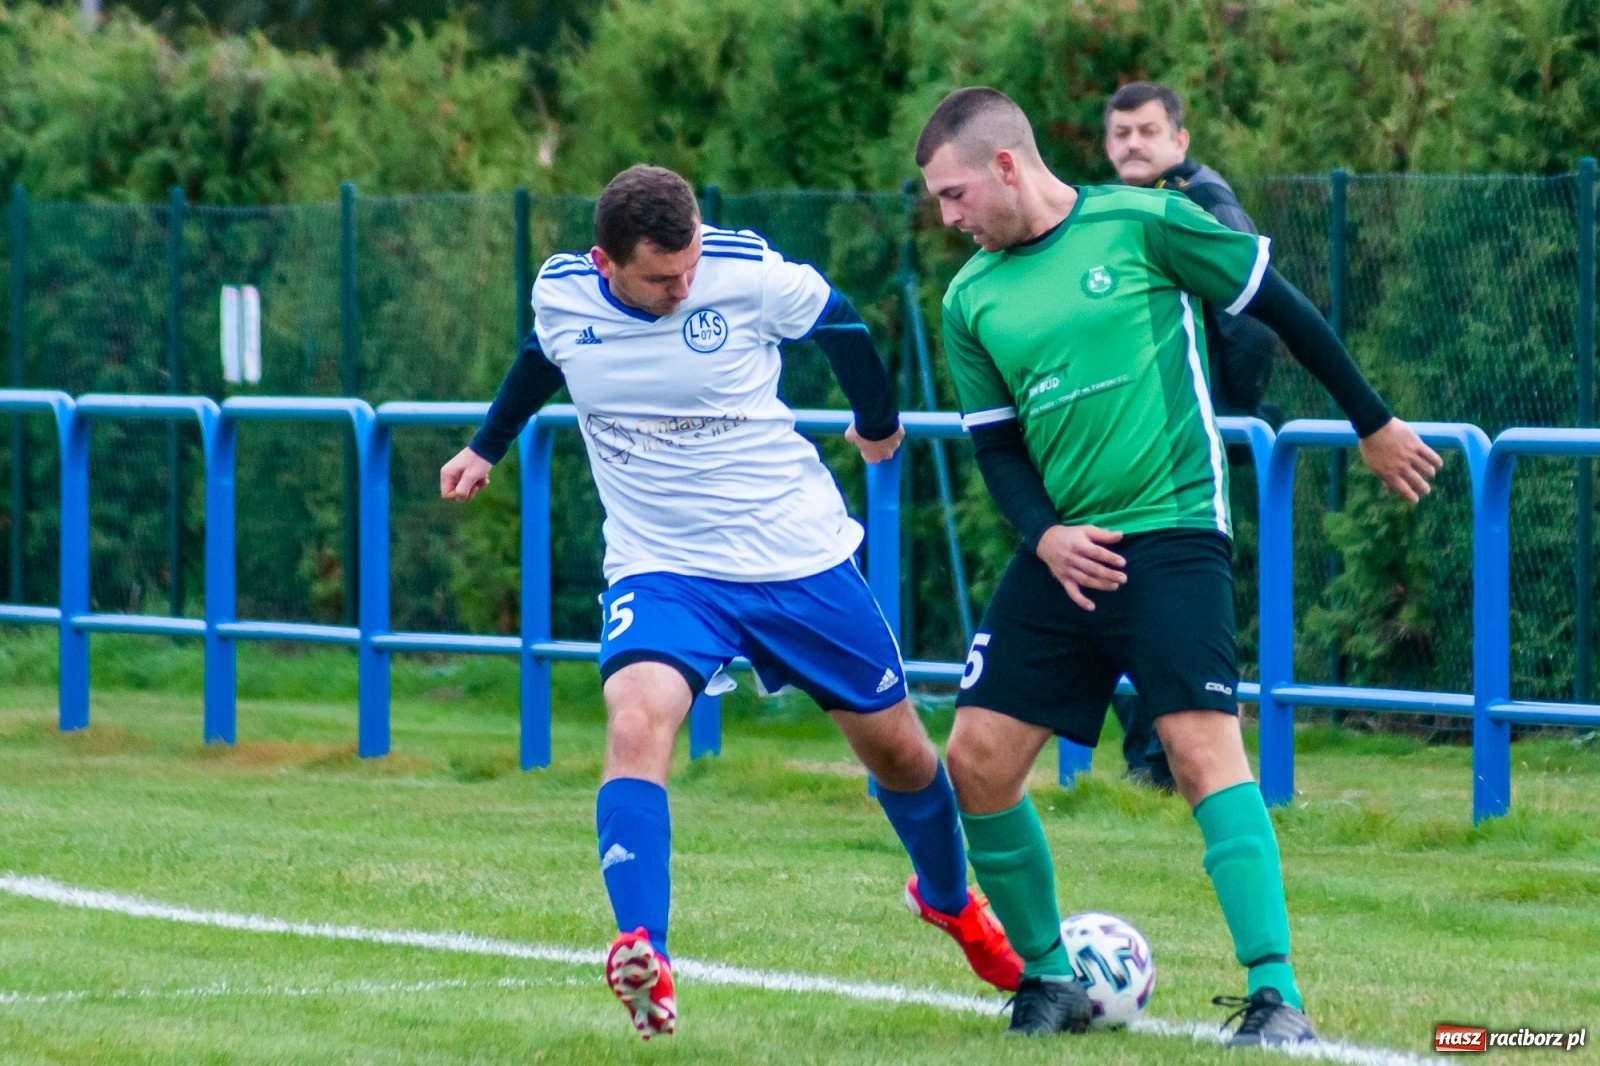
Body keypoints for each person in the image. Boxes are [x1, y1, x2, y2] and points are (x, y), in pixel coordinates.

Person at [439, 164, 1021, 1041]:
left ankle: (949, 901)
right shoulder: (563, 293)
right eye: (660, 278)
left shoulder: (743, 272)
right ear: (606, 265)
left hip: (793, 552)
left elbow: (842, 322)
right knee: (635, 723)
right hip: (662, 565)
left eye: (690, 266)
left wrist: (875, 421)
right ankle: (645, 950)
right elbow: (540, 358)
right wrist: (487, 446)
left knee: (901, 754)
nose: (683, 286)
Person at [915, 89, 1443, 1042]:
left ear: (1005, 166)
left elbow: (1282, 309)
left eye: (953, 195)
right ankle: (1048, 980)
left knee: (1203, 754)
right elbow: (995, 448)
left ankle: (1275, 996)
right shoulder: (969, 299)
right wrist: (1045, 537)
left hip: (1173, 532)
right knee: (977, 761)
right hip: (1066, 552)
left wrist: (1374, 421)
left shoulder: (1149, 221)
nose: (947, 218)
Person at [1102, 80, 1284, 792]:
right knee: (1127, 594)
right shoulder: (1123, 208)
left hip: (1188, 444)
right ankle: (1150, 759)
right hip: (1138, 440)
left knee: (1174, 600)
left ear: (1180, 139)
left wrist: (1224, 416)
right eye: (1120, 134)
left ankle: (1164, 763)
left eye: (1147, 131)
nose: (1132, 145)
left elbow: (1253, 322)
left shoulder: (1206, 205)